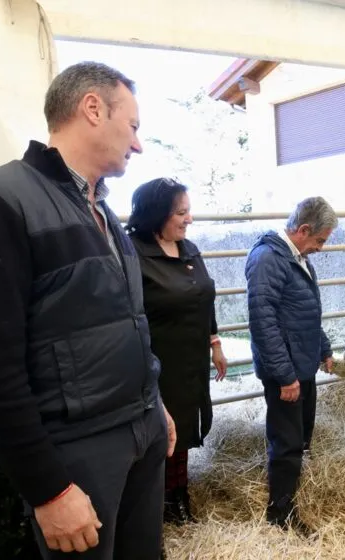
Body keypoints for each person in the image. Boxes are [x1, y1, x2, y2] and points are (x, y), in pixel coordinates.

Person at [0, 61, 176, 559]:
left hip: (140, 431)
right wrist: (48, 489)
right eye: (132, 126)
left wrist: (152, 403)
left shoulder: (102, 211)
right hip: (81, 450)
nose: (137, 144)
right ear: (93, 108)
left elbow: (120, 323)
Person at [126, 178, 228, 525]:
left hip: (190, 357)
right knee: (159, 431)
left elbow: (205, 298)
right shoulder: (133, 253)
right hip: (156, 358)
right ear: (157, 214)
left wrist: (214, 343)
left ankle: (178, 495)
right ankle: (157, 501)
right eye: (181, 212)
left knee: (184, 427)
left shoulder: (189, 249)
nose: (189, 219)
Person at [244, 196, 338, 533]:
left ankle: (292, 497)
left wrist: (323, 349)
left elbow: (307, 312)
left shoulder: (298, 259)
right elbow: (262, 322)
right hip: (286, 372)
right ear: (303, 230)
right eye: (320, 240)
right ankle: (279, 513)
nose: (320, 248)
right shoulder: (268, 258)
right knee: (286, 442)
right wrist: (284, 376)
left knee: (300, 437)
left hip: (303, 366)